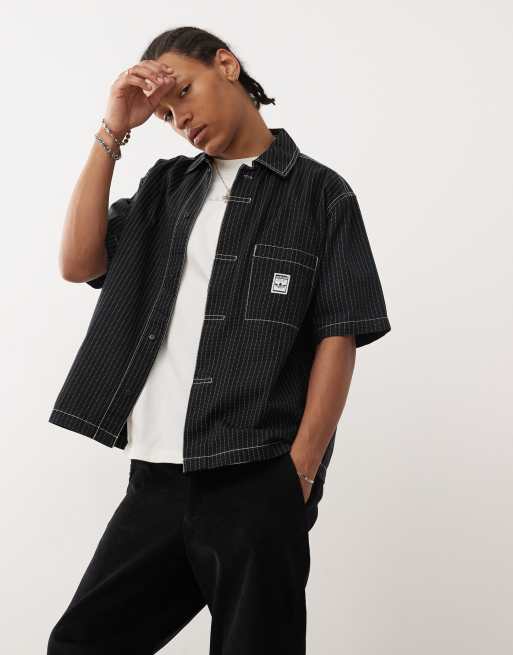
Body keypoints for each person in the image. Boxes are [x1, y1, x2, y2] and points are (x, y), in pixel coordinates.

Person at [47, 25, 391, 655]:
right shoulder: (165, 189)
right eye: (166, 115)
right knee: (79, 643)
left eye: (183, 93)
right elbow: (78, 263)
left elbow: (339, 335)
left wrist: (300, 470)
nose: (179, 120)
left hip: (257, 475)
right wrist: (114, 129)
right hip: (157, 477)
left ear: (226, 65)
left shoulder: (321, 194)